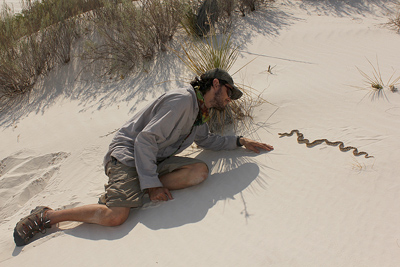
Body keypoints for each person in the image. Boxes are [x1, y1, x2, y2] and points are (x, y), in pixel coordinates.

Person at [13, 68, 274, 246]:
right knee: (115, 216)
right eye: (229, 92)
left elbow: (207, 140)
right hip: (128, 154)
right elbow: (144, 140)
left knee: (199, 172)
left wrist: (240, 141)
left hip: (152, 158)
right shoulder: (183, 100)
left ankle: (131, 191)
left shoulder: (200, 113)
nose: (230, 99)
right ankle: (48, 215)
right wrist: (152, 185)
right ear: (215, 84)